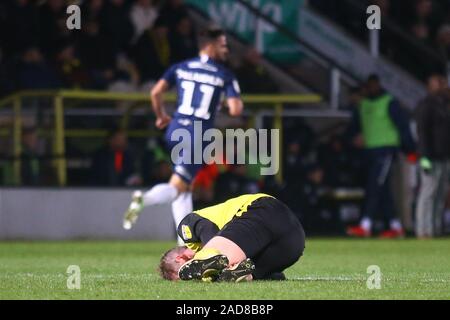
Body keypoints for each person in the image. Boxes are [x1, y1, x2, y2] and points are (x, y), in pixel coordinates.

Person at [122, 25, 244, 245]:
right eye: (223, 45)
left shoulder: (181, 67)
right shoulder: (224, 75)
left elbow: (155, 92)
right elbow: (236, 110)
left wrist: (160, 116)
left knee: (185, 187)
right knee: (178, 185)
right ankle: (144, 199)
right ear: (210, 46)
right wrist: (223, 104)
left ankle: (184, 243)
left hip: (175, 130)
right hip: (198, 134)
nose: (226, 49)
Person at [158, 193, 305, 282]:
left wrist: (209, 253)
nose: (192, 278)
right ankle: (244, 275)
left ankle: (208, 261)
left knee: (217, 260)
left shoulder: (186, 229)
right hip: (292, 243)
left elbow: (206, 228)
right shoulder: (239, 250)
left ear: (181, 258)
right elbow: (278, 276)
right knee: (239, 273)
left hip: (262, 210)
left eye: (186, 275)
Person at [346, 74, 416, 238]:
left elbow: (403, 126)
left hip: (386, 151)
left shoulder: (389, 102)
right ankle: (395, 226)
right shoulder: (362, 105)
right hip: (369, 152)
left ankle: (366, 224)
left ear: (378, 85)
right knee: (382, 189)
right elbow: (353, 128)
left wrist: (410, 150)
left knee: (374, 185)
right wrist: (353, 138)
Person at [414, 74, 450, 238]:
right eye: (439, 83)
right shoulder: (426, 105)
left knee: (440, 194)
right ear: (430, 86)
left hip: (444, 156)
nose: (443, 86)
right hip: (430, 156)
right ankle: (423, 230)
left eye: (443, 83)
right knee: (428, 193)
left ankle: (435, 228)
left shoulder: (444, 104)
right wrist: (424, 156)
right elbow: (422, 132)